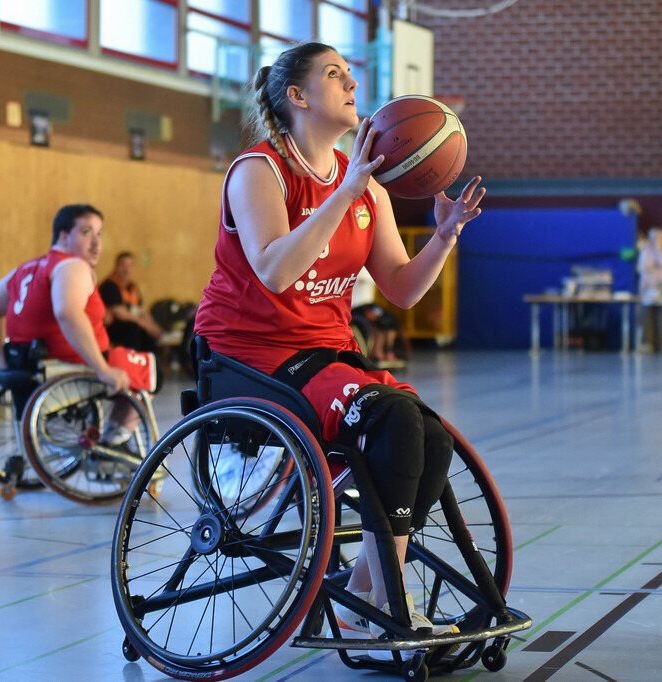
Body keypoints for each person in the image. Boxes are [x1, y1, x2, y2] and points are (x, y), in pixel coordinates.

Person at [193, 42, 486, 649]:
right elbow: (274, 270)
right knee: (394, 420)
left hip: (326, 354)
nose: (353, 84)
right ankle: (381, 602)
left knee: (427, 431)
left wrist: (445, 236)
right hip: (250, 356)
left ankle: (366, 593)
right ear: (297, 97)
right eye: (335, 75)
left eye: (352, 75)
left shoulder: (367, 190)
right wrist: (343, 195)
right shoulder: (259, 170)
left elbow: (402, 289)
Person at [0, 204, 156, 444]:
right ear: (63, 236)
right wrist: (103, 370)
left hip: (31, 364)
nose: (96, 243)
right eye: (86, 232)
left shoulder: (27, 268)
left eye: (99, 233)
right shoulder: (72, 265)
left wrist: (3, 365)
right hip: (71, 363)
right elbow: (67, 312)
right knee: (152, 372)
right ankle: (113, 442)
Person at [99, 251, 178, 352]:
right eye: (123, 265)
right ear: (116, 266)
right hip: (110, 327)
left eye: (130, 265)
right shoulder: (110, 286)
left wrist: (155, 328)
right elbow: (121, 314)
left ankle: (152, 360)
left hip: (130, 324)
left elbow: (142, 310)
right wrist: (144, 324)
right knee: (136, 329)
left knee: (148, 333)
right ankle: (134, 361)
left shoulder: (133, 287)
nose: (127, 270)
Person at [351, 266, 402, 366]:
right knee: (380, 321)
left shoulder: (372, 267)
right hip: (356, 306)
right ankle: (377, 353)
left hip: (369, 305)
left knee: (390, 320)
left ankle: (388, 351)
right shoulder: (358, 268)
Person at [637, 226, 662, 353]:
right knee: (647, 318)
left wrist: (658, 250)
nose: (657, 240)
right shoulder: (645, 251)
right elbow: (645, 267)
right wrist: (651, 252)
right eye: (655, 237)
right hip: (648, 289)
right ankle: (647, 345)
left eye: (660, 237)